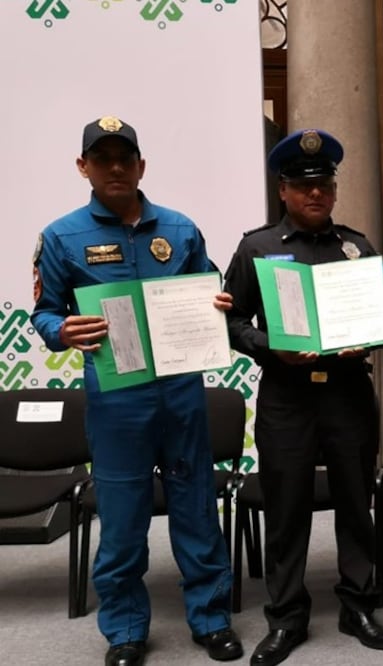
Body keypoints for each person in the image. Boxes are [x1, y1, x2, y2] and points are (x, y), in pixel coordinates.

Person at [31, 117, 242, 666]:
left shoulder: (180, 228)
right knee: (123, 518)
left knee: (196, 507)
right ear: (84, 167)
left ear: (142, 165)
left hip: (181, 391)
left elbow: (209, 287)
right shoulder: (61, 236)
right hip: (117, 398)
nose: (116, 168)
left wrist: (218, 302)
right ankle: (125, 628)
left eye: (125, 158)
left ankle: (211, 618)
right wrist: (61, 329)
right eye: (103, 159)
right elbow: (45, 312)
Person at [223, 129, 383, 664]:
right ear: (284, 190)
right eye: (303, 185)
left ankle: (358, 605)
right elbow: (232, 320)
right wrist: (268, 346)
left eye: (323, 184)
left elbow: (381, 316)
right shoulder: (257, 248)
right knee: (286, 507)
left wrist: (368, 336)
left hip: (347, 391)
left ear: (335, 190)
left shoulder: (357, 248)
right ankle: (286, 617)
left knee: (356, 502)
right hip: (287, 395)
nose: (315, 193)